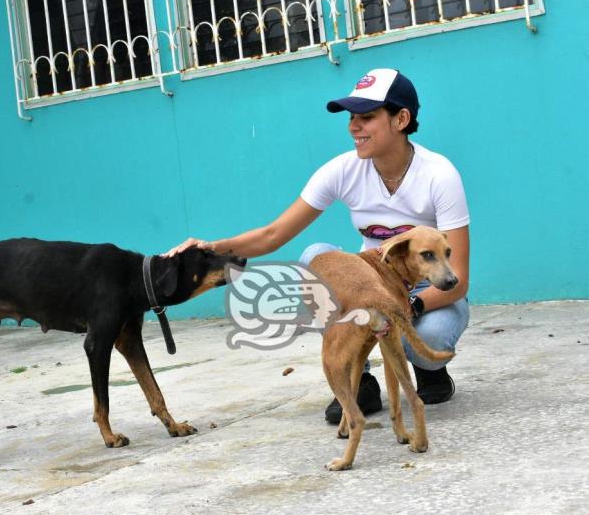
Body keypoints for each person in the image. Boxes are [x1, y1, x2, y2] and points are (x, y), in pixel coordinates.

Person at [166, 68, 470, 424]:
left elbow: (459, 279)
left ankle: (430, 372)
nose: (353, 126)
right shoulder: (342, 170)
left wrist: (406, 308)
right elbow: (273, 235)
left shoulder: (439, 174)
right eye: (352, 118)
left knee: (428, 344)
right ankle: (360, 381)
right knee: (315, 258)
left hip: (427, 295)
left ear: (401, 119)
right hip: (372, 286)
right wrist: (210, 247)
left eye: (367, 117)